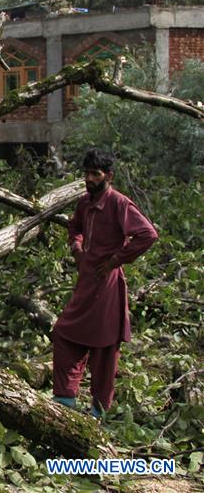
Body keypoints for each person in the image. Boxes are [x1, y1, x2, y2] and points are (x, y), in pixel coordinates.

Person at [52, 149, 158, 419]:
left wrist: (115, 260)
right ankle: (65, 405)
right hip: (86, 282)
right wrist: (77, 250)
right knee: (64, 335)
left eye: (95, 174)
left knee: (104, 350)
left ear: (108, 176)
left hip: (107, 286)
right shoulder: (85, 203)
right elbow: (74, 228)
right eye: (86, 174)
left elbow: (147, 234)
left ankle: (97, 415)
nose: (89, 179)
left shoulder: (119, 203)